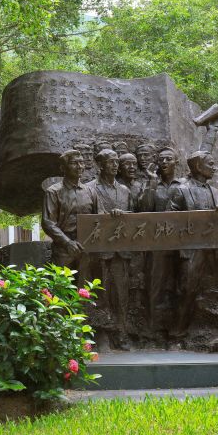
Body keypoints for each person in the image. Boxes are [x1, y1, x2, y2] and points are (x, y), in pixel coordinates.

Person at [170, 151, 218, 347]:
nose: (214, 167)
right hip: (191, 249)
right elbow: (171, 221)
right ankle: (177, 334)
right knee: (186, 290)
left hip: (213, 250)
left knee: (212, 291)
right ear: (197, 166)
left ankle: (206, 332)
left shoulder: (217, 191)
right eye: (210, 163)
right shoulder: (181, 189)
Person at [87, 149, 133, 349]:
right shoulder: (89, 188)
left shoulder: (124, 191)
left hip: (120, 251)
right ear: (100, 165)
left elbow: (133, 218)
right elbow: (89, 216)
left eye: (116, 162)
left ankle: (121, 334)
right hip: (98, 252)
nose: (115, 165)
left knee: (121, 296)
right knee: (99, 294)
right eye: (110, 162)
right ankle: (100, 334)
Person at [137, 147, 183, 338]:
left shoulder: (184, 185)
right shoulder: (150, 183)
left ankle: (177, 329)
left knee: (179, 286)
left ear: (176, 162)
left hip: (181, 243)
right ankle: (152, 329)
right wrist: (151, 183)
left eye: (168, 159)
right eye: (161, 159)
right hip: (156, 244)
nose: (164, 162)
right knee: (154, 286)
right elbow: (144, 207)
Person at [42, 150, 99, 273]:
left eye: (81, 163)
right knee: (61, 289)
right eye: (74, 163)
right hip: (63, 251)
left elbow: (100, 216)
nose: (79, 167)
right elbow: (48, 223)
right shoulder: (53, 192)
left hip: (86, 249)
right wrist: (67, 243)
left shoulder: (90, 191)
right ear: (63, 168)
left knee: (85, 289)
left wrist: (115, 213)